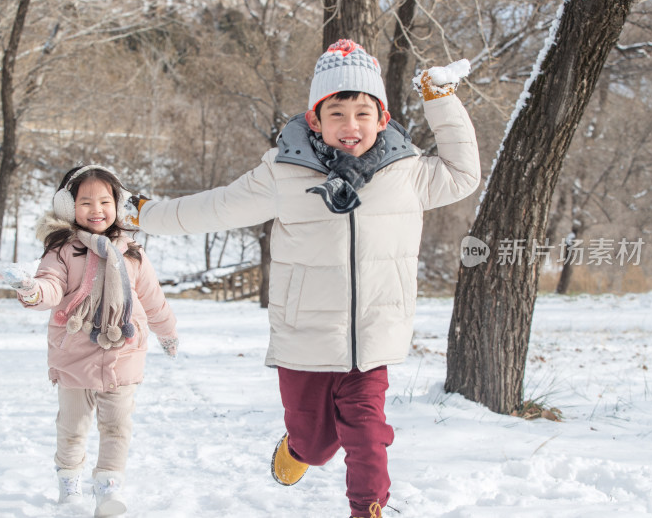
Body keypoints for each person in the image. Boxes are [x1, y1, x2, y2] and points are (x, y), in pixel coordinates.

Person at [124, 39, 480, 518]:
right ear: (315, 118)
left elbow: (463, 172)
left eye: (363, 112)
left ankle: (367, 509)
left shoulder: (406, 172)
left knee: (368, 433)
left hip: (371, 338)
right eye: (337, 113)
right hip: (305, 339)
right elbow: (214, 208)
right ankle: (299, 450)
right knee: (315, 442)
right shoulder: (284, 174)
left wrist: (440, 99)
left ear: (383, 118)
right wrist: (145, 214)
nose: (350, 126)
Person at [1, 165, 178, 517]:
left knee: (117, 425)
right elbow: (51, 285)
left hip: (122, 352)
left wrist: (167, 331)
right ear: (68, 207)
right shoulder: (63, 250)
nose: (96, 210)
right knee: (72, 426)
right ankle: (70, 484)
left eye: (104, 201)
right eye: (85, 202)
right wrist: (32, 290)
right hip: (75, 353)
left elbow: (153, 298)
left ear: (118, 204)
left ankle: (109, 487)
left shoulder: (132, 251)